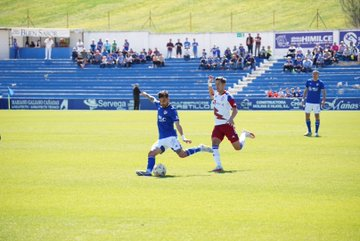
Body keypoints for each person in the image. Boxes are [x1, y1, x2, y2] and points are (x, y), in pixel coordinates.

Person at [136, 90, 213, 176]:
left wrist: (183, 137)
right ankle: (148, 172)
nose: (162, 103)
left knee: (182, 155)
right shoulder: (159, 105)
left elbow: (178, 124)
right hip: (161, 139)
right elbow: (152, 99)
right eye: (161, 101)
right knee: (151, 153)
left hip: (171, 138)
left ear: (168, 99)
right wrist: (146, 95)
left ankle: (200, 148)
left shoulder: (172, 110)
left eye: (164, 101)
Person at [207, 76, 255, 172]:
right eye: (216, 84)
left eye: (218, 84)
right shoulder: (216, 95)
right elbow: (212, 94)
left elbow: (235, 110)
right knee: (214, 143)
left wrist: (231, 119)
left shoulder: (228, 97)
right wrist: (209, 84)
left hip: (227, 125)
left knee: (238, 147)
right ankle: (219, 166)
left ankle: (244, 134)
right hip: (218, 126)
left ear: (224, 85)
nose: (217, 86)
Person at [301, 70, 326, 137]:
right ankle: (309, 131)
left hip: (316, 103)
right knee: (307, 116)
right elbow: (305, 91)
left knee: (317, 116)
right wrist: (303, 99)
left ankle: (316, 132)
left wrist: (323, 100)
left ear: (318, 75)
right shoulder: (308, 81)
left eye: (316, 74)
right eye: (313, 74)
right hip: (308, 102)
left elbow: (324, 92)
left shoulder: (320, 83)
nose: (314, 75)